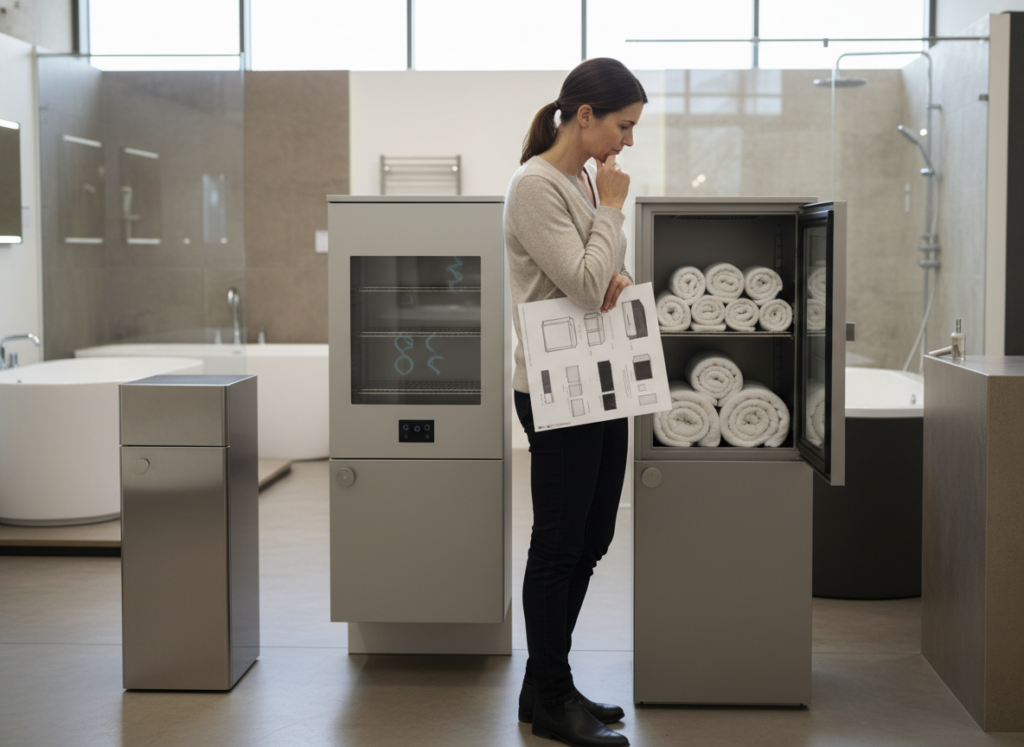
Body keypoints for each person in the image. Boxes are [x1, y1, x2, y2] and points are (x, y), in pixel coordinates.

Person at [504, 57, 646, 747]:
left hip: (596, 379)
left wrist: (613, 268)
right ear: (584, 115)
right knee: (559, 543)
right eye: (623, 125)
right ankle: (553, 698)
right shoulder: (536, 185)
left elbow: (598, 273)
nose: (628, 141)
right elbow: (586, 284)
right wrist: (612, 213)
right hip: (556, 387)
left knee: (592, 537)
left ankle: (544, 684)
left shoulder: (583, 179)